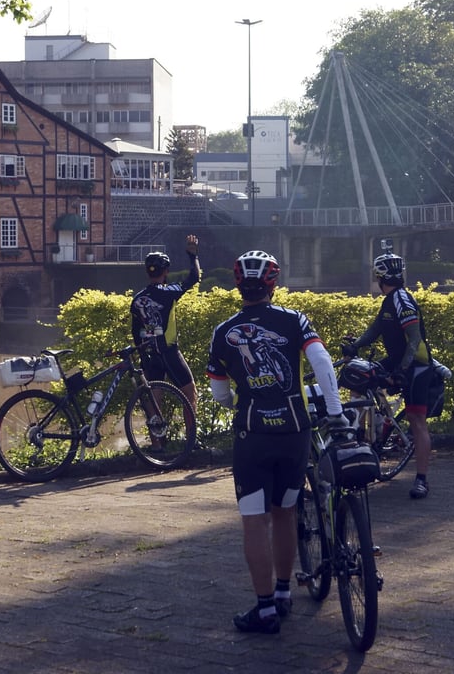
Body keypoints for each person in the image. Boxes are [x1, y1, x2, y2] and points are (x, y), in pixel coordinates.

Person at [207, 250, 347, 635]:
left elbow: (219, 393)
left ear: (238, 284)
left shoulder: (223, 331)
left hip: (252, 434)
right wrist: (335, 411)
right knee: (285, 511)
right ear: (274, 283)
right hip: (294, 430)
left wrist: (239, 401)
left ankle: (265, 609)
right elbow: (322, 362)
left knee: (255, 519)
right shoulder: (294, 320)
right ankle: (284, 593)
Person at [342, 250, 434, 500]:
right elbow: (375, 330)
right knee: (358, 381)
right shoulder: (389, 301)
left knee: (416, 420)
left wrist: (402, 371)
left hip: (417, 365)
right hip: (396, 361)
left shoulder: (402, 300)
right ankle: (365, 437)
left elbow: (414, 340)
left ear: (380, 277)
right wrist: (355, 346)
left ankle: (421, 480)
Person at [130, 235, 201, 413]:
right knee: (190, 394)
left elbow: (136, 331)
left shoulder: (137, 299)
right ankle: (191, 433)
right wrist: (192, 255)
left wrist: (142, 357)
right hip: (169, 352)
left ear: (147, 272)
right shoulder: (169, 292)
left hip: (150, 354)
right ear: (166, 271)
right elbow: (194, 277)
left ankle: (156, 433)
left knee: (154, 400)